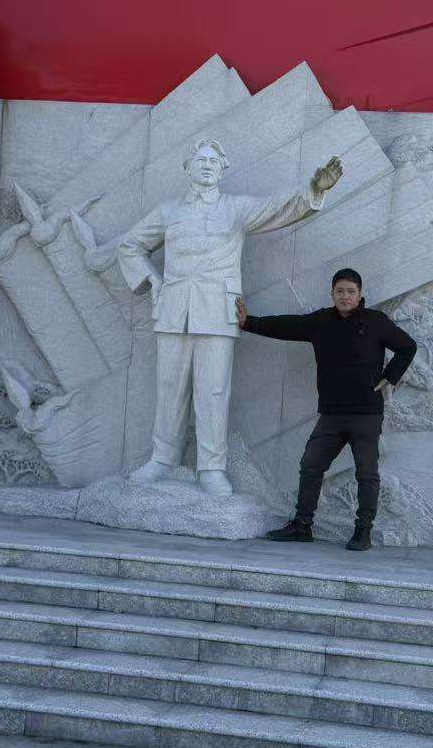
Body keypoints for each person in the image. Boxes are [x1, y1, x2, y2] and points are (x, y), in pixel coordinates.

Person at [115, 138, 343, 495]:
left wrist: (313, 189)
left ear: (223, 169)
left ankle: (211, 467)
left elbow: (275, 207)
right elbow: (129, 245)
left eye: (213, 161)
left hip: (217, 313)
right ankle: (162, 460)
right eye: (200, 160)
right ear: (187, 168)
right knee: (169, 390)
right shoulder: (168, 211)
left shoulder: (235, 209)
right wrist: (152, 282)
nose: (207, 165)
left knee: (213, 391)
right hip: (174, 312)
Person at [237, 268, 416, 550]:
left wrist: (389, 377)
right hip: (331, 415)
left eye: (351, 291)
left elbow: (408, 347)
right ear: (332, 294)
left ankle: (363, 531)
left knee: (366, 474)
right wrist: (249, 323)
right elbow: (287, 326)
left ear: (360, 294)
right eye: (340, 291)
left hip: (366, 415)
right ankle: (302, 526)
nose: (345, 296)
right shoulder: (321, 321)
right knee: (311, 465)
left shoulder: (376, 322)